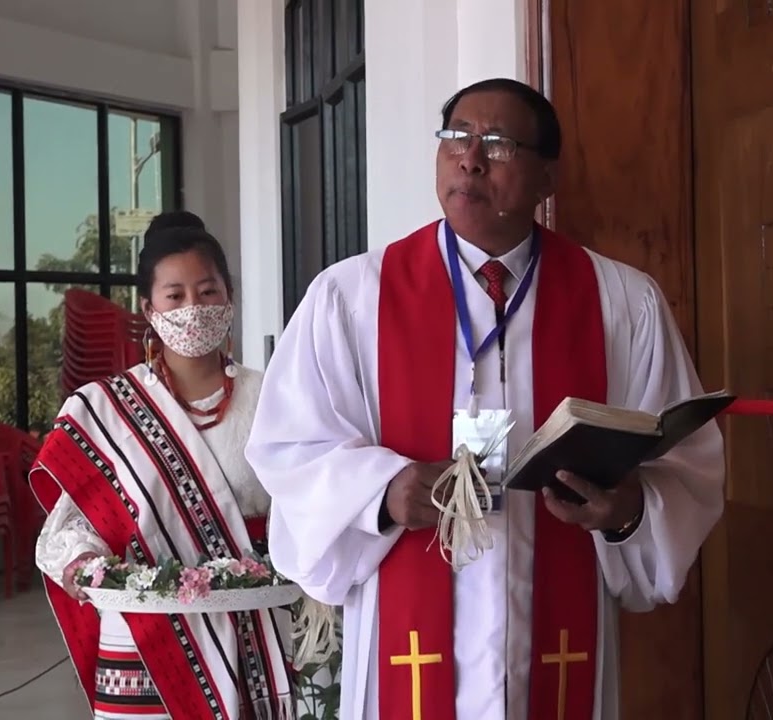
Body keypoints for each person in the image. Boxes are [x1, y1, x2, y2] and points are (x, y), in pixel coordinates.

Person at [246, 78, 725, 720]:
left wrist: (629, 510)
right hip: (405, 637)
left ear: (546, 177)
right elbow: (289, 450)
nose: (470, 158)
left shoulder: (621, 304)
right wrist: (382, 493)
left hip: (556, 635)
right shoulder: (352, 299)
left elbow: (688, 464)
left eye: (497, 143)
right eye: (456, 137)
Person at [31, 213, 296, 719]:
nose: (193, 308)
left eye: (207, 291)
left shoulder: (276, 398)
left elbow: (310, 501)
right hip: (143, 642)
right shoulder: (104, 409)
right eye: (175, 296)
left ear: (230, 297)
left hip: (257, 636)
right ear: (149, 309)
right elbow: (68, 530)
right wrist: (90, 566)